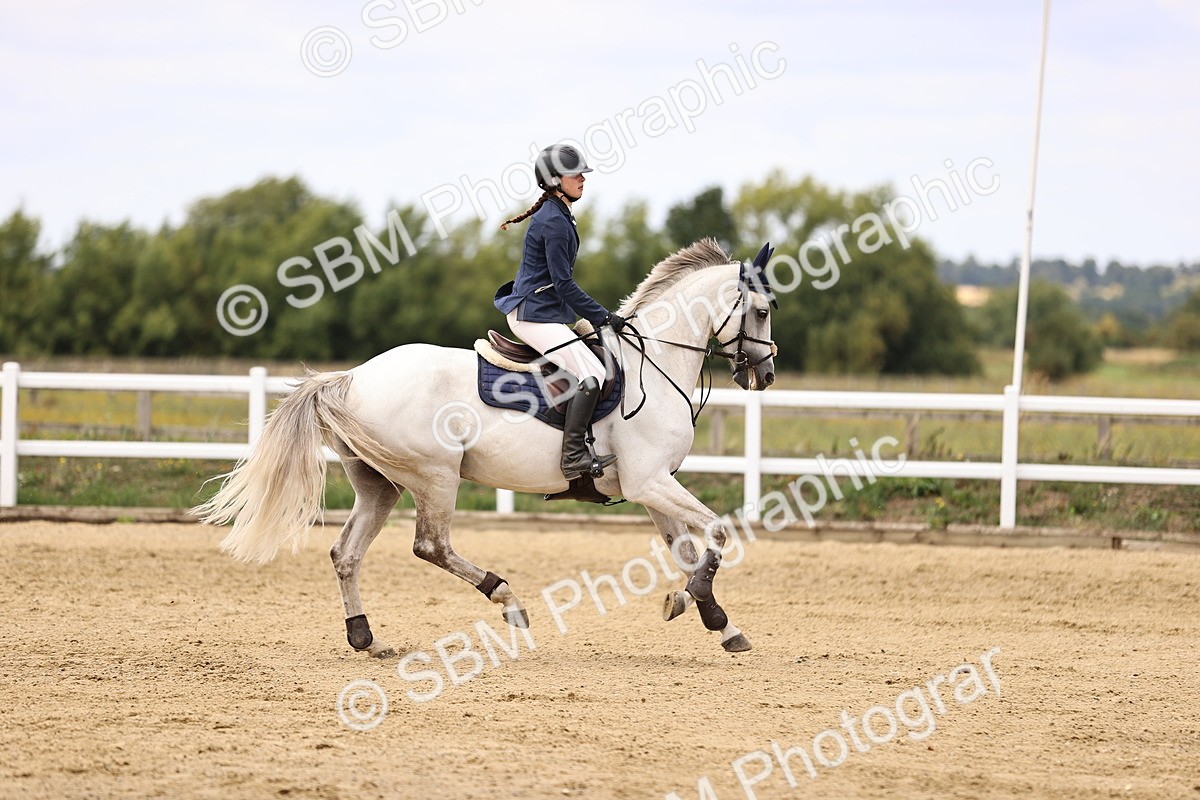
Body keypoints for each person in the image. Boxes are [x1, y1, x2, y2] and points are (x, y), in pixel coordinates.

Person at [494, 143, 626, 481]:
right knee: (591, 374)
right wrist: (603, 316)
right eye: (575, 173)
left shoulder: (560, 214)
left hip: (545, 311)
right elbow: (564, 284)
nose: (583, 178)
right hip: (532, 314)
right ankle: (572, 457)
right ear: (554, 180)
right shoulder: (553, 220)